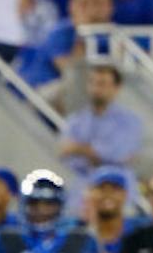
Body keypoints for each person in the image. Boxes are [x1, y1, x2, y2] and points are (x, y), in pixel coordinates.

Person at [59, 64, 143, 210]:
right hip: (83, 189)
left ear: (116, 88)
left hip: (119, 189)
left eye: (103, 84)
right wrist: (98, 153)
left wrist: (79, 148)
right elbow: (66, 154)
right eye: (93, 82)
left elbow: (119, 154)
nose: (97, 89)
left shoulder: (130, 121)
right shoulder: (76, 120)